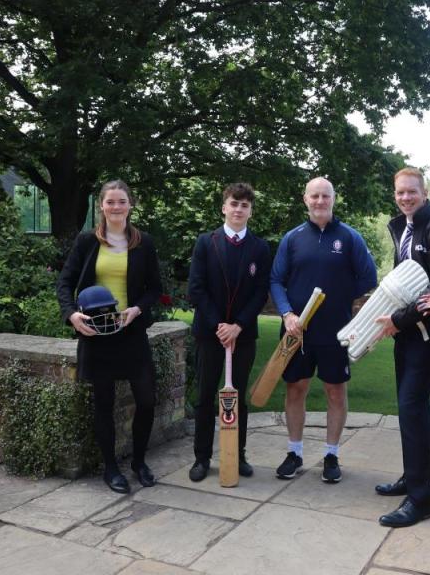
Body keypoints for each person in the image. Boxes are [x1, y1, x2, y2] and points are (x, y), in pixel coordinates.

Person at [57, 180, 163, 494]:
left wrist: (138, 309)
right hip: (96, 334)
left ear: (131, 205)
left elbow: (155, 289)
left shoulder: (144, 242)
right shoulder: (87, 240)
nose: (116, 207)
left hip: (131, 333)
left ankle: (139, 462)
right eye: (110, 202)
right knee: (103, 404)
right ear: (101, 206)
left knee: (146, 400)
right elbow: (65, 283)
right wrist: (71, 315)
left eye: (121, 202)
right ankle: (111, 469)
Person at [269, 177, 377, 483]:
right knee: (296, 388)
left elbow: (368, 277)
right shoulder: (292, 238)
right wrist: (287, 313)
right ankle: (294, 453)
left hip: (335, 331)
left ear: (333, 199)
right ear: (305, 199)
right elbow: (276, 280)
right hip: (296, 331)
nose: (319, 201)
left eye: (325, 196)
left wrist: (340, 296)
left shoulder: (350, 237)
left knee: (335, 390)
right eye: (314, 196)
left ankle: (331, 455)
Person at [373, 167, 430, 527]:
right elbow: (401, 284)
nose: (406, 197)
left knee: (413, 406)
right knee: (407, 408)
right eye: (400, 192)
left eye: (412, 191)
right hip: (407, 331)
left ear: (424, 193)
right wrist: (393, 318)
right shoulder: (402, 228)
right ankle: (412, 479)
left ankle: (420, 500)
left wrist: (399, 319)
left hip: (428, 332)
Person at [186, 183, 271, 482]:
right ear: (224, 207)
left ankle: (239, 454)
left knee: (239, 398)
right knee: (205, 395)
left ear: (250, 211)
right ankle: (201, 458)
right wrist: (219, 327)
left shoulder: (260, 248)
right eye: (234, 203)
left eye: (245, 205)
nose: (238, 209)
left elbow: (261, 292)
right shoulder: (205, 242)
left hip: (243, 334)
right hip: (210, 334)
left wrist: (238, 326)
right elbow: (196, 288)